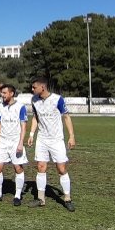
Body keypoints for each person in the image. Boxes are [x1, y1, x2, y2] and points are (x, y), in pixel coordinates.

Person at [27, 77, 77, 211]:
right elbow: (36, 117)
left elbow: (66, 117)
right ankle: (41, 199)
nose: (32, 89)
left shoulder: (57, 99)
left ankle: (67, 199)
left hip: (56, 140)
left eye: (34, 87)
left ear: (42, 87)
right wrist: (32, 134)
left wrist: (71, 136)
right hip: (42, 139)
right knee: (41, 167)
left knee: (61, 168)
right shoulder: (34, 100)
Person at [0, 84, 28, 205]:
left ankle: (17, 196)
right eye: (1, 93)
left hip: (16, 141)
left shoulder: (21, 107)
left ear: (11, 93)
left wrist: (21, 143)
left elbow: (23, 125)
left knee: (18, 168)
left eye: (5, 93)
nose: (2, 95)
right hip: (3, 141)